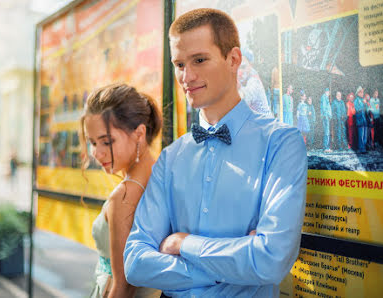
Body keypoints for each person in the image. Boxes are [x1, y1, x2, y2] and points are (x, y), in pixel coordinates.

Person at [124, 8, 307, 297]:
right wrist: (235, 269)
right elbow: (135, 263)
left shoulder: (281, 143)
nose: (187, 76)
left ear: (233, 59)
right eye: (179, 63)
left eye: (199, 60)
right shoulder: (171, 157)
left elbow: (271, 260)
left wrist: (183, 244)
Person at [80, 83, 162, 298]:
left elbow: (124, 286)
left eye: (107, 142)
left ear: (139, 133)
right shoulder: (163, 174)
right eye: (92, 142)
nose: (97, 153)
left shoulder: (124, 196)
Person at [354, 86, 367, 153]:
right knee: (361, 135)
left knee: (365, 135)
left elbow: (366, 110)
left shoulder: (362, 100)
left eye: (363, 92)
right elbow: (357, 109)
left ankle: (364, 147)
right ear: (358, 93)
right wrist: (363, 104)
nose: (362, 93)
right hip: (360, 120)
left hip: (364, 120)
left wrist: (365, 104)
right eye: (361, 92)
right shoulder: (356, 100)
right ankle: (361, 148)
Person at [320, 88, 332, 152]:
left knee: (326, 132)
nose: (329, 94)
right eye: (328, 92)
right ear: (326, 92)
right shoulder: (324, 97)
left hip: (326, 116)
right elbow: (324, 107)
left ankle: (326, 147)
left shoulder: (325, 97)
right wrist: (327, 115)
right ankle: (326, 147)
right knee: (327, 132)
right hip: (325, 117)